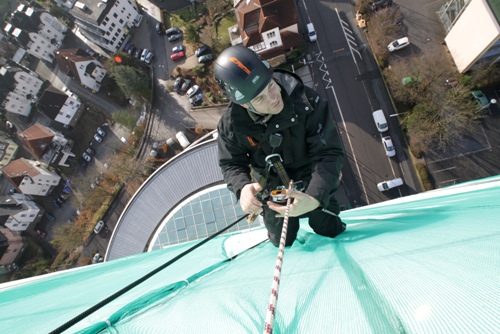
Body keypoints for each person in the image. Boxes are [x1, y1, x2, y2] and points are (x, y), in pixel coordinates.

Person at [215, 45, 345, 247]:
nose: (274, 98)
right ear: (243, 105)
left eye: (270, 85)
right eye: (260, 98)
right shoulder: (231, 126)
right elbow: (231, 163)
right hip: (270, 185)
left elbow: (328, 152)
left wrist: (315, 196)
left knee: (328, 226)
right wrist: (243, 189)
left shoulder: (307, 103)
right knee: (282, 240)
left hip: (311, 174)